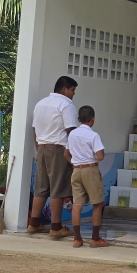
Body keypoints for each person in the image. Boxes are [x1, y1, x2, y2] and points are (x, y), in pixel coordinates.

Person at [28, 76, 79, 237]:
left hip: (42, 149)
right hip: (58, 150)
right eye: (72, 90)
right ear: (64, 89)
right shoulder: (66, 104)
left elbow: (35, 130)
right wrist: (76, 153)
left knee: (41, 188)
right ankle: (56, 227)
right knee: (58, 188)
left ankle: (34, 223)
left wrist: (38, 150)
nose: (73, 94)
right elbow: (71, 131)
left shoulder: (40, 104)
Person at [64, 105, 108, 248]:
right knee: (97, 204)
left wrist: (75, 163)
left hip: (76, 170)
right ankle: (95, 239)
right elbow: (100, 156)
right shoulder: (93, 135)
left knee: (77, 205)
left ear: (78, 119)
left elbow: (66, 154)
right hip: (90, 170)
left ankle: (77, 239)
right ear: (93, 119)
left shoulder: (72, 134)